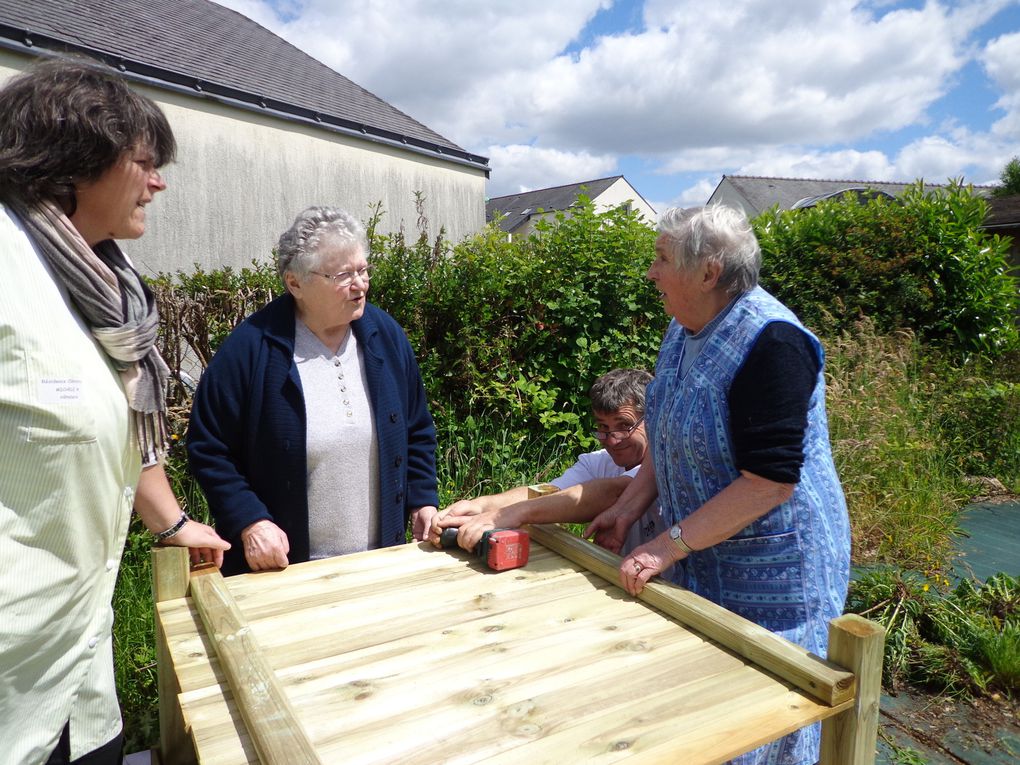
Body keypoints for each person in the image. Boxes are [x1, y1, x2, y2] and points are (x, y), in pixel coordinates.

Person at [0, 60, 229, 765]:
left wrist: (176, 523)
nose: (158, 181)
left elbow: (109, 437)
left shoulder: (104, 288)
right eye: (143, 162)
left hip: (79, 665)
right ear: (73, 161)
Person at [585, 205, 850, 765]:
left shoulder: (774, 343)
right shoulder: (683, 330)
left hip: (778, 582)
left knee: (762, 726)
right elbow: (671, 429)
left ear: (708, 272)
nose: (651, 273)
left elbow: (770, 484)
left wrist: (666, 544)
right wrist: (631, 506)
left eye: (661, 259)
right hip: (707, 562)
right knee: (708, 720)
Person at [187, 206, 439, 575]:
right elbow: (209, 448)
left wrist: (421, 502)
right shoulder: (251, 348)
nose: (361, 285)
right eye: (343, 275)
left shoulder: (385, 336)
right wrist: (251, 522)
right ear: (295, 283)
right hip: (285, 572)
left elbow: (417, 429)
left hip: (381, 561)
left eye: (363, 270)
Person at [430, 368, 668, 558]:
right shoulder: (595, 462)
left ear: (652, 420)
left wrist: (507, 516)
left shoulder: (665, 465)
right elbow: (549, 493)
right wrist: (482, 506)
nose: (613, 440)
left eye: (625, 426)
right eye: (603, 427)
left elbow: (613, 493)